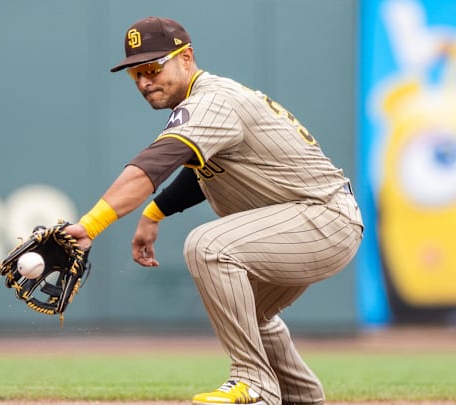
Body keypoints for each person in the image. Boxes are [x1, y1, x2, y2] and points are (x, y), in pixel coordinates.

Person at [65, 16, 364, 405]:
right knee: (248, 314)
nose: (144, 81)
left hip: (322, 219)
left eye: (153, 68)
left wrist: (91, 225)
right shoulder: (210, 103)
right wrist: (154, 213)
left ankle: (253, 382)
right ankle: (302, 396)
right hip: (307, 221)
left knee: (208, 246)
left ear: (186, 58)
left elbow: (154, 165)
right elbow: (200, 174)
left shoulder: (211, 100)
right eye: (136, 73)